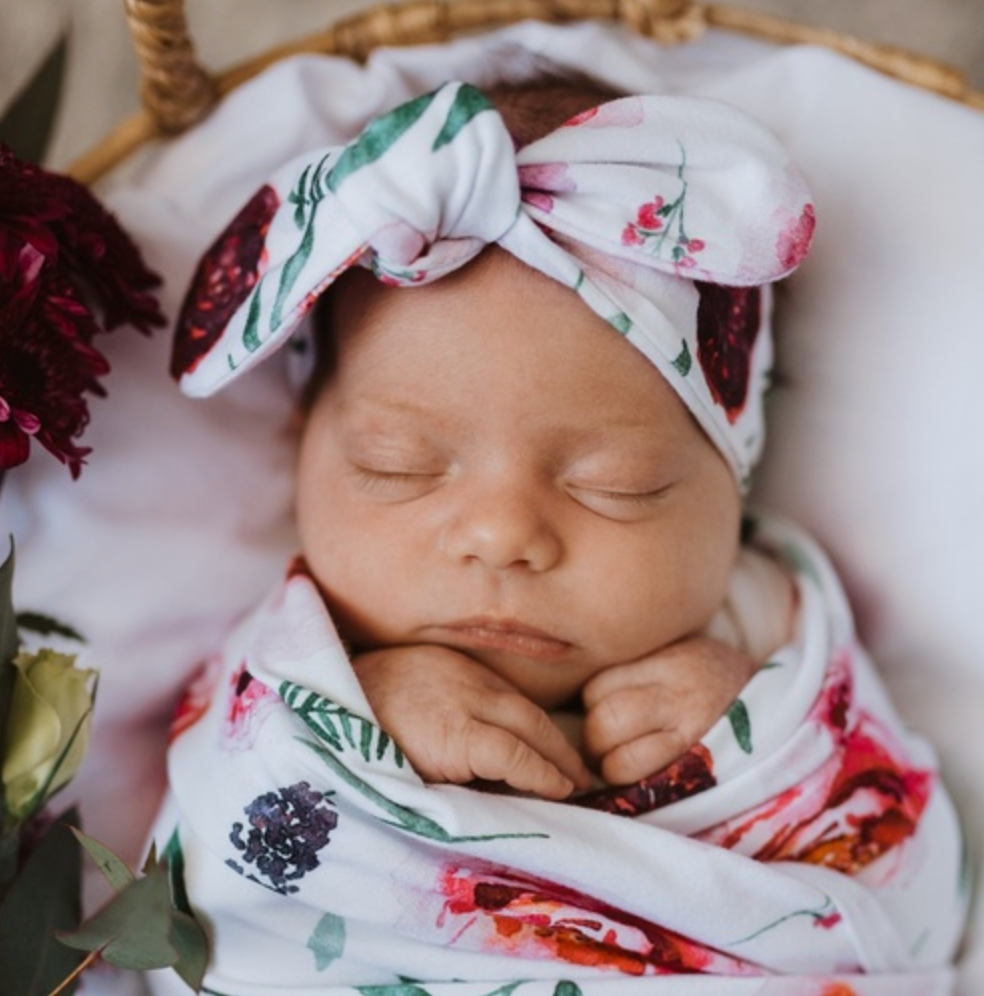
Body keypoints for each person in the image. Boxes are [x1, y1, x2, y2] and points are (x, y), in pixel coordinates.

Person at [154, 77, 966, 993]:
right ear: (305, 446)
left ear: (730, 493)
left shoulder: (772, 635)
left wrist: (755, 736)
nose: (502, 536)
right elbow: (199, 880)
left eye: (617, 485)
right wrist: (352, 712)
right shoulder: (295, 667)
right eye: (398, 465)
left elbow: (919, 901)